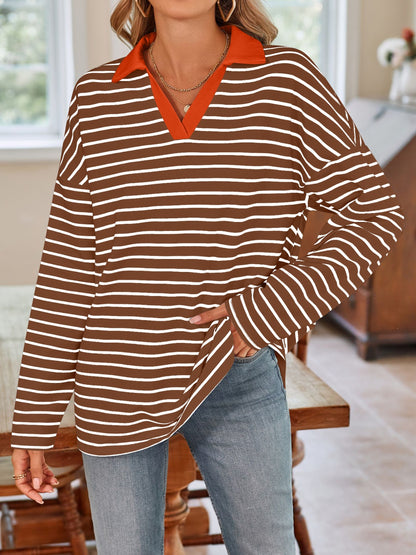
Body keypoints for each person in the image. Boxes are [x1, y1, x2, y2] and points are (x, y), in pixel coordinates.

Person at [10, 0, 404, 553]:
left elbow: (373, 214)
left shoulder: (288, 82)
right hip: (117, 377)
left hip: (234, 368)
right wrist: (34, 416)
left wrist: (269, 308)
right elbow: (68, 267)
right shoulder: (96, 97)